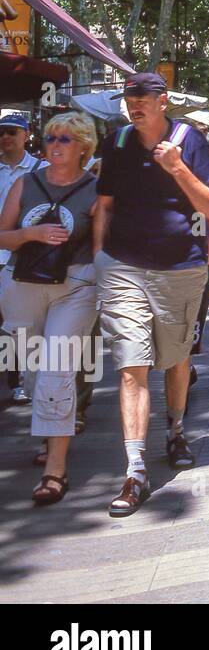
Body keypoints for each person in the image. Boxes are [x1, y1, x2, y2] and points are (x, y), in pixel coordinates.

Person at [93, 72, 209, 517]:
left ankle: (175, 429)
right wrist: (99, 259)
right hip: (123, 267)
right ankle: (135, 471)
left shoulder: (190, 141)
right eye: (127, 96)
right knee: (132, 366)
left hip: (179, 270)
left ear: (162, 100)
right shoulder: (115, 143)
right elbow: (105, 205)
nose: (133, 103)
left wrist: (177, 167)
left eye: (141, 96)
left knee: (175, 360)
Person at [0, 112, 100, 505]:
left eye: (65, 139)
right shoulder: (27, 184)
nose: (55, 145)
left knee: (57, 368)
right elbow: (2, 236)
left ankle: (54, 470)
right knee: (30, 369)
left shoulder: (96, 189)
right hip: (22, 284)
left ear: (84, 147)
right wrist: (31, 234)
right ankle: (49, 428)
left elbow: (103, 244)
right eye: (51, 138)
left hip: (76, 285)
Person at [0, 111, 46, 405]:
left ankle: (18, 380)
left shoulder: (39, 170)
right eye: (2, 132)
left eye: (12, 132)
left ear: (26, 135)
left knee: (17, 325)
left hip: (19, 258)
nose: (5, 137)